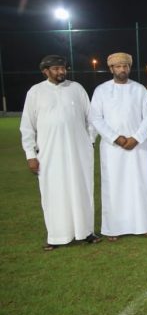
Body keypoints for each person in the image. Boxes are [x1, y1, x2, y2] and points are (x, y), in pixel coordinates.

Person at [20, 55, 100, 250]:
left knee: (82, 190)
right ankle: (56, 236)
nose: (61, 72)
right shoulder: (35, 92)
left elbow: (92, 118)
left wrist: (90, 141)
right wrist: (30, 155)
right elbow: (27, 126)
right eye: (56, 69)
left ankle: (86, 232)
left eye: (63, 68)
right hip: (50, 153)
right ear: (45, 71)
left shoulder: (76, 88)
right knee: (53, 193)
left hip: (79, 151)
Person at [90, 52, 147, 240]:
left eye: (125, 66)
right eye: (118, 66)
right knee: (114, 186)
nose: (122, 69)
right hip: (113, 148)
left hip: (138, 146)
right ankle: (114, 228)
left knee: (141, 184)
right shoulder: (101, 90)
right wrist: (116, 138)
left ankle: (145, 224)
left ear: (129, 68)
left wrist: (136, 138)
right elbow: (96, 118)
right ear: (111, 68)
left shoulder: (139, 89)